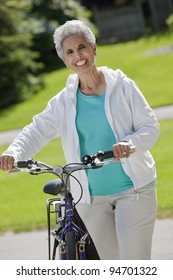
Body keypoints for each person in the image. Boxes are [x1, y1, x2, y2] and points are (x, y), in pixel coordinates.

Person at [0, 20, 160, 260]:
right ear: (65, 61)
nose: (78, 56)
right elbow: (37, 129)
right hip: (90, 199)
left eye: (82, 47)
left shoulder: (123, 87)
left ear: (94, 48)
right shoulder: (64, 100)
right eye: (70, 52)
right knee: (111, 265)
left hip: (134, 191)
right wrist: (14, 152)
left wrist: (130, 144)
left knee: (135, 264)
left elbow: (150, 127)